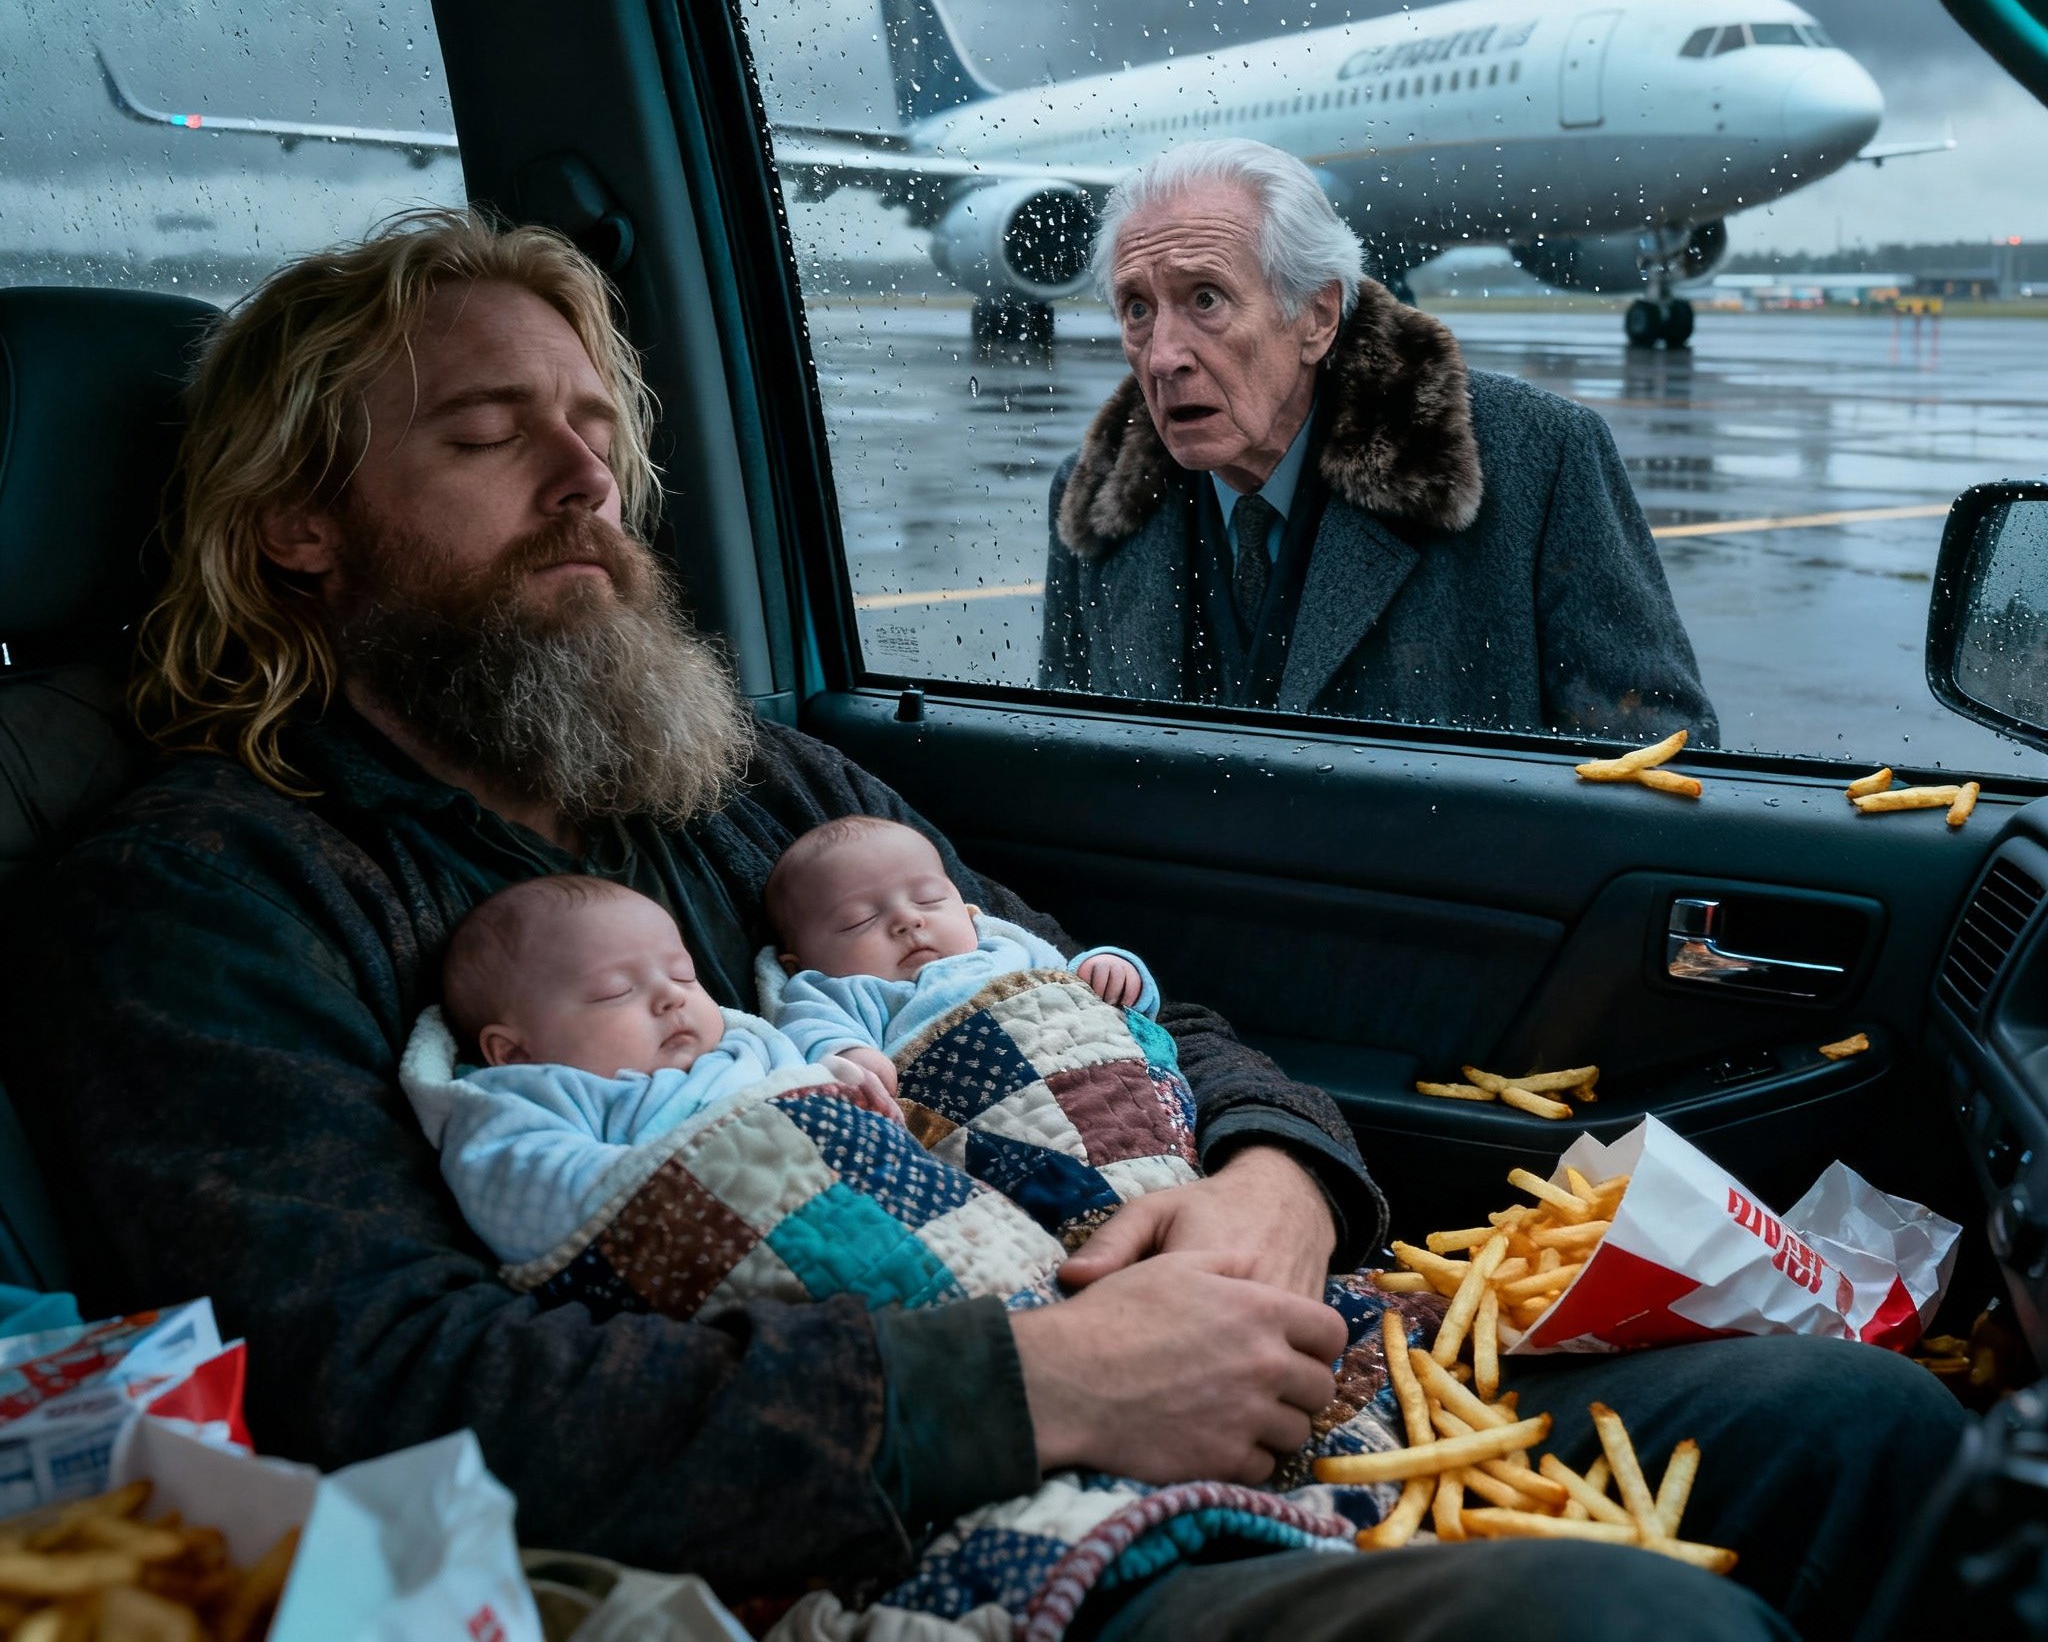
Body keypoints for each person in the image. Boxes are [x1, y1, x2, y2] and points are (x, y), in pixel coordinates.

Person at [7, 209, 1957, 1642]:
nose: (587, 478)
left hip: (1180, 1352)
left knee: (1847, 1420)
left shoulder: (727, 773)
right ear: (299, 524)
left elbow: (1094, 997)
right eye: (488, 434)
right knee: (1624, 1641)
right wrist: (1044, 1390)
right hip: (856, 1522)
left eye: (596, 428)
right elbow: (376, 1384)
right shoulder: (204, 887)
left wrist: (1276, 1180)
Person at [1039, 140, 1718, 745]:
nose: (1162, 358)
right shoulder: (1093, 498)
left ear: (1317, 315)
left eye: (1207, 299)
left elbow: (1651, 756)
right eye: (1137, 309)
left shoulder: (1536, 459)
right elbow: (1063, 770)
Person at [403, 873, 899, 1267]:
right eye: (615, 992)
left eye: (683, 973)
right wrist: (672, 1180)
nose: (672, 996)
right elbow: (521, 1186)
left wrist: (840, 1079)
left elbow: (804, 1084)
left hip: (857, 1205)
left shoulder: (744, 1047)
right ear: (514, 1053)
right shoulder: (534, 1096)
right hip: (713, 1241)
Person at [763, 814, 1155, 1096]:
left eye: (929, 899)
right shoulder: (840, 993)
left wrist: (1112, 970)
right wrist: (849, 1056)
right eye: (857, 921)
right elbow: (806, 1031)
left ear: (967, 910)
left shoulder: (1005, 947)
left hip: (1098, 1072)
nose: (907, 919)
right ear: (801, 964)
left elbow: (1072, 984)